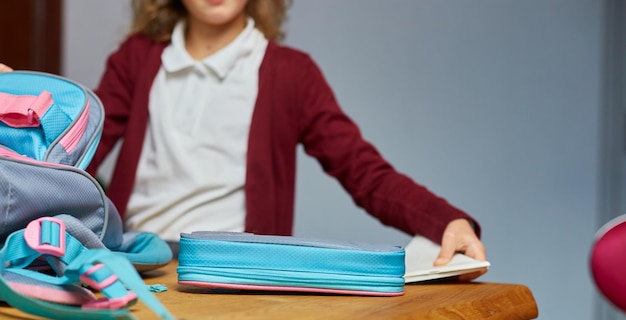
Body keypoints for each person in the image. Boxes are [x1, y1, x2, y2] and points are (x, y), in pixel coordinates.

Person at [2, 0, 487, 270]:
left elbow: (362, 170)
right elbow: (68, 152)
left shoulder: (292, 75)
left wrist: (445, 220)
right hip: (142, 260)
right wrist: (16, 107)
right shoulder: (138, 59)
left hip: (237, 268)